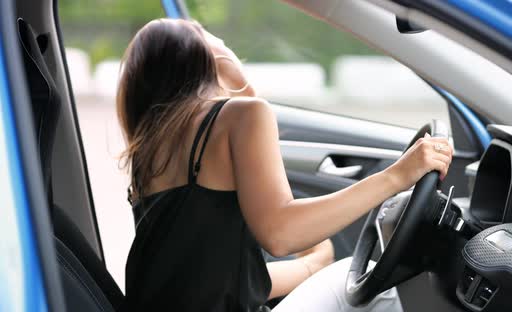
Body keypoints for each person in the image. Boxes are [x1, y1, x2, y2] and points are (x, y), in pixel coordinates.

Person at [118, 18, 452, 312]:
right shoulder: (242, 115)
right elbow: (280, 235)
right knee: (371, 290)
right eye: (208, 35)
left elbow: (208, 278)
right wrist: (398, 175)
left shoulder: (148, 151)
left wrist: (310, 267)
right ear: (205, 55)